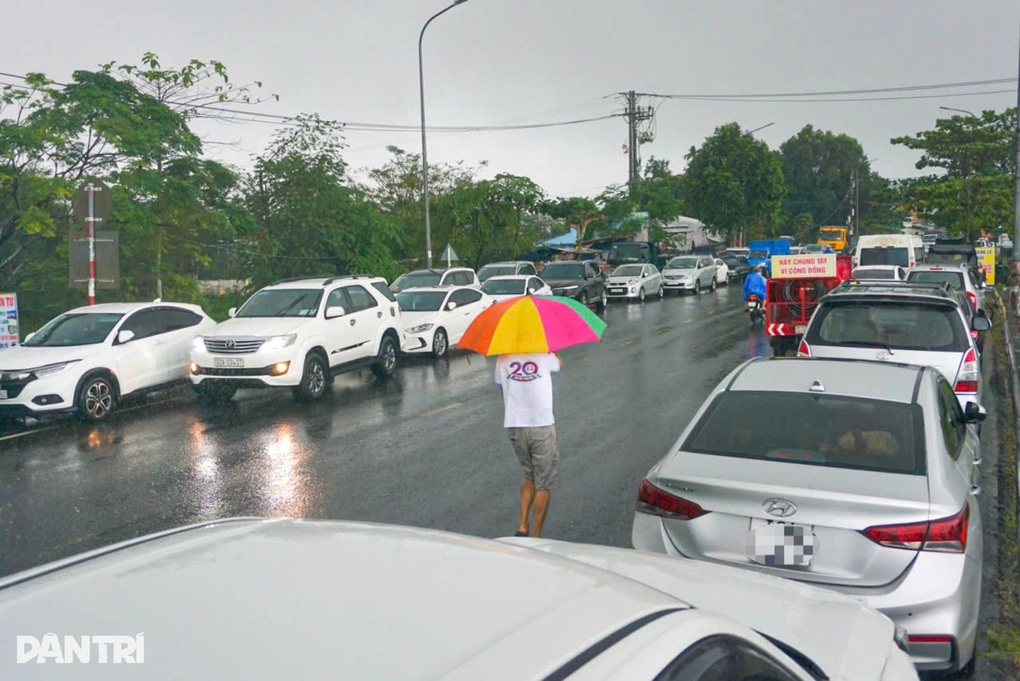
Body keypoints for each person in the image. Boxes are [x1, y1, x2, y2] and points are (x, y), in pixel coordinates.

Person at [494, 352, 562, 538]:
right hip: (541, 425)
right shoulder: (545, 355)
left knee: (529, 474)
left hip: (515, 425)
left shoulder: (503, 358)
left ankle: (522, 525)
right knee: (543, 483)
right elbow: (559, 365)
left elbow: (501, 387)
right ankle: (536, 536)